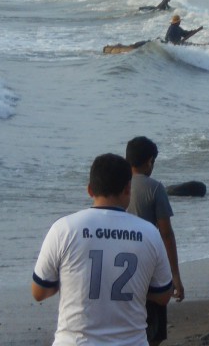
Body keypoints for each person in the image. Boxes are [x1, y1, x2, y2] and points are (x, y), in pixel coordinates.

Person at [32, 153, 173, 346]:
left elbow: (39, 292)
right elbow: (164, 295)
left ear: (90, 190)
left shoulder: (64, 229)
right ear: (127, 189)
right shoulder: (149, 233)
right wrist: (138, 288)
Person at [126, 136, 184, 346]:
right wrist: (175, 276)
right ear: (150, 161)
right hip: (148, 266)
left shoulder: (118, 187)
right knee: (153, 331)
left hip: (119, 264)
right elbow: (166, 234)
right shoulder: (155, 188)